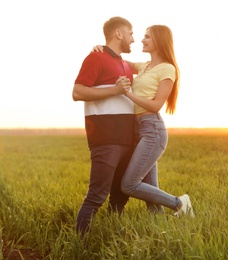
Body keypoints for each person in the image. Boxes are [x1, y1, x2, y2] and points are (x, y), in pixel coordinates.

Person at [94, 25, 195, 217]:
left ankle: (179, 203)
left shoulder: (168, 69)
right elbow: (119, 61)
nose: (142, 40)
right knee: (151, 195)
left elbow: (156, 105)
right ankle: (159, 234)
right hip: (139, 131)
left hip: (152, 130)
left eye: (147, 37)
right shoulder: (144, 67)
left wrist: (128, 94)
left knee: (129, 184)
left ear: (159, 40)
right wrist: (101, 48)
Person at [72, 16, 136, 237]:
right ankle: (80, 245)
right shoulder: (95, 58)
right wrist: (114, 91)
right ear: (118, 34)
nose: (133, 39)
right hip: (106, 139)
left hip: (129, 141)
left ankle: (111, 238)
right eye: (130, 33)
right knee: (96, 196)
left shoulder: (126, 64)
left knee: (120, 196)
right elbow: (77, 92)